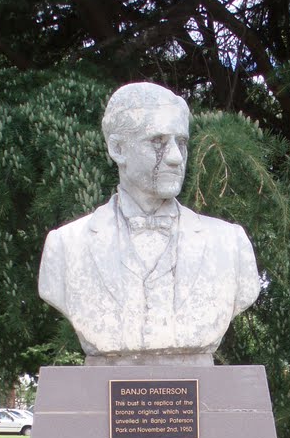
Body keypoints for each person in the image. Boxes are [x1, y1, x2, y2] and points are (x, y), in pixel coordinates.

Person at [38, 82, 260, 360]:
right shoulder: (66, 246)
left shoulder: (229, 244)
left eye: (181, 142)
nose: (176, 158)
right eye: (158, 141)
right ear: (117, 148)